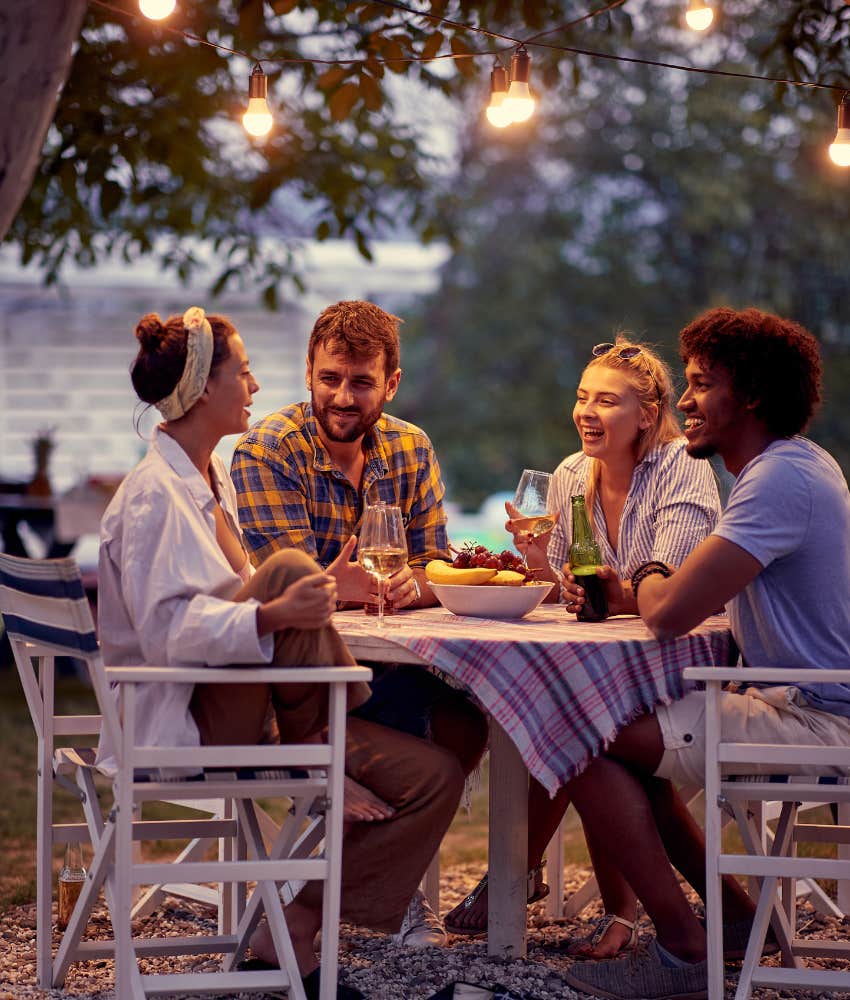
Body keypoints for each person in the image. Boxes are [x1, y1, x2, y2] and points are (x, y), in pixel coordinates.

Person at [97, 307, 465, 1000]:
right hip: (188, 720)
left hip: (246, 700)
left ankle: (292, 923)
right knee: (294, 570)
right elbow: (169, 632)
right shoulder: (154, 496)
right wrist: (277, 609)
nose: (256, 385)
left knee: (436, 775)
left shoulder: (207, 479)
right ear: (206, 389)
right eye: (243, 373)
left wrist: (283, 603)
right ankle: (319, 745)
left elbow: (230, 591)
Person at [561, 306, 850, 1000]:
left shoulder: (779, 481)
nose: (683, 403)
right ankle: (737, 921)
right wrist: (637, 590)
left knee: (574, 733)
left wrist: (646, 578)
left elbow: (667, 613)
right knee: (610, 735)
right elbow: (677, 599)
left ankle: (687, 949)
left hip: (819, 721)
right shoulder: (789, 468)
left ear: (747, 396)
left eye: (699, 385)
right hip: (795, 700)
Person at [444, 337, 721, 950]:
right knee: (569, 712)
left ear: (647, 414)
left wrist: (597, 593)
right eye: (581, 398)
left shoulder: (683, 466)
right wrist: (541, 563)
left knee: (571, 718)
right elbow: (571, 594)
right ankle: (626, 910)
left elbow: (667, 590)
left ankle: (522, 875)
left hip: (682, 666)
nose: (586, 412)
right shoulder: (572, 474)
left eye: (607, 401)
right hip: (609, 664)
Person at [231, 298, 489, 946]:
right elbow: (286, 594)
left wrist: (417, 583)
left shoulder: (410, 447)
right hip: (297, 690)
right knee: (429, 761)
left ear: (391, 383)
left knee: (468, 719)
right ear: (309, 372)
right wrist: (329, 588)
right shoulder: (267, 450)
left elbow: (436, 561)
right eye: (329, 378)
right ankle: (351, 900)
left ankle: (372, 888)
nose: (342, 396)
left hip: (389, 665)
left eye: (361, 381)